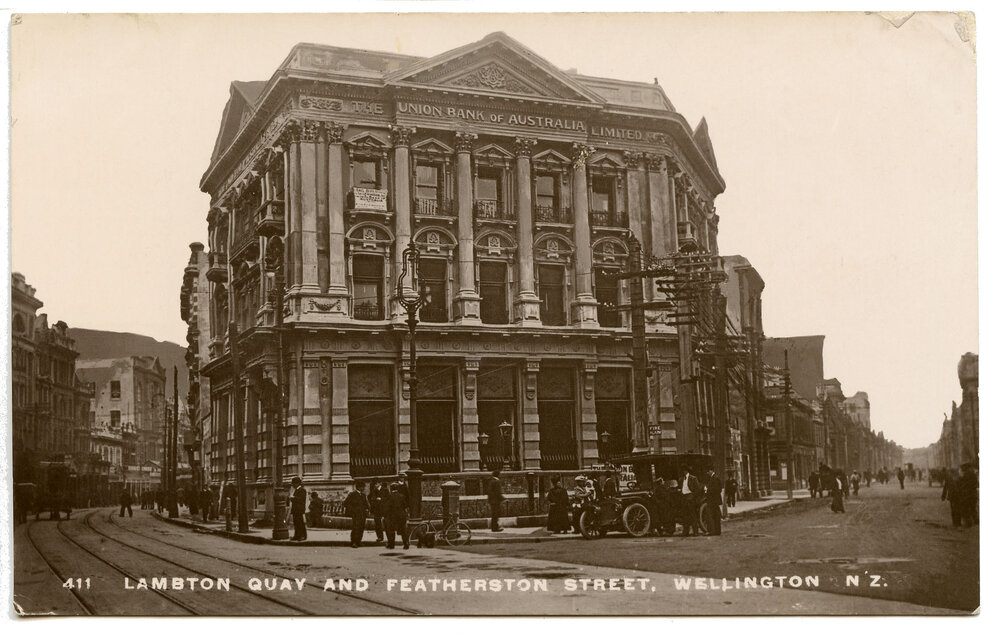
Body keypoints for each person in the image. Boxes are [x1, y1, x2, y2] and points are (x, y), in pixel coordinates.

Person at [384, 482, 410, 550]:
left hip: (392, 516)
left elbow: (387, 507)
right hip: (401, 515)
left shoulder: (388, 496)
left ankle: (391, 544)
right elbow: (405, 505)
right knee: (403, 530)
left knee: (391, 530)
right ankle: (406, 543)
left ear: (391, 488)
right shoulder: (402, 496)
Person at [344, 481, 369, 548]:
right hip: (355, 514)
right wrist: (353, 510)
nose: (364, 488)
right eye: (362, 487)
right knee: (356, 528)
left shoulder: (363, 495)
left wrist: (367, 509)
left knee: (361, 528)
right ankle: (354, 542)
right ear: (358, 487)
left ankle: (358, 541)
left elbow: (366, 504)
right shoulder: (352, 494)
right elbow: (345, 503)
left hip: (362, 514)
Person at [679, 466, 702, 537]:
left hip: (690, 498)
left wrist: (691, 497)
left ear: (687, 471)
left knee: (693, 515)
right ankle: (686, 532)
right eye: (683, 471)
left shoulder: (693, 478)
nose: (684, 472)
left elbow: (697, 489)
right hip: (684, 498)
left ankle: (695, 532)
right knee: (685, 516)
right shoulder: (682, 479)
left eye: (684, 470)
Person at [703, 469, 722, 536]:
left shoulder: (714, 478)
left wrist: (707, 490)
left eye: (708, 471)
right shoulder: (714, 478)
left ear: (711, 471)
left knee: (711, 516)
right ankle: (717, 531)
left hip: (713, 500)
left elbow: (716, 489)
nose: (707, 473)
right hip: (715, 500)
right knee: (716, 516)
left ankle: (712, 531)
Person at [290, 476, 307, 541]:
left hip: (299, 509)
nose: (293, 485)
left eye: (293, 484)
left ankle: (302, 536)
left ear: (297, 483)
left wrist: (293, 498)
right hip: (296, 509)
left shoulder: (302, 490)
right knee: (296, 523)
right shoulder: (297, 490)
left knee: (300, 523)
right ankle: (297, 536)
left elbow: (301, 499)